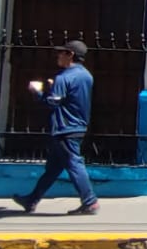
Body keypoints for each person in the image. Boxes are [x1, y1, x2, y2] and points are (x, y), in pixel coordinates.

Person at [12, 40, 99, 215]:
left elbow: (53, 102)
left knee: (74, 163)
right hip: (78, 125)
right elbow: (70, 98)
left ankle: (90, 201)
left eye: (61, 53)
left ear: (70, 55)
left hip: (64, 127)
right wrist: (55, 88)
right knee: (53, 169)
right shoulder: (87, 76)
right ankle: (32, 199)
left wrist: (37, 92)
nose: (58, 56)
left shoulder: (63, 77)